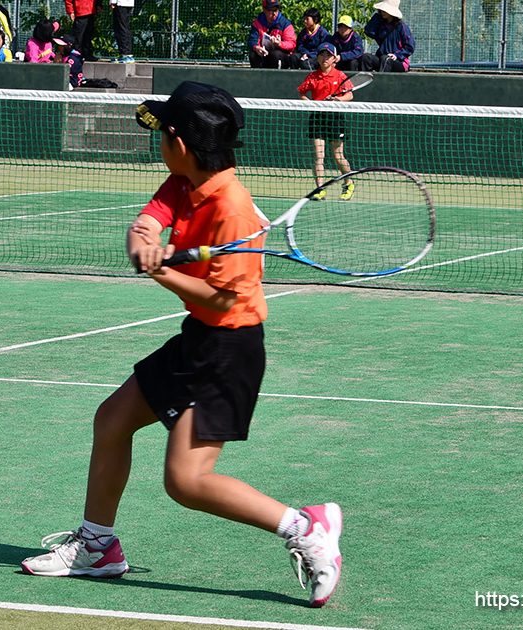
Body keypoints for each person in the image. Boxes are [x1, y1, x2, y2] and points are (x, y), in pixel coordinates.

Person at [19, 80, 344, 609]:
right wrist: (143, 241)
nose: (158, 142)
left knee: (186, 480)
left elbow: (219, 301)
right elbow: (149, 221)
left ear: (181, 142)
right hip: (199, 338)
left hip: (230, 349)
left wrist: (163, 271)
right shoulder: (183, 179)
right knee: (113, 417)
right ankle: (98, 546)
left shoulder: (233, 209)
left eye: (163, 132)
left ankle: (305, 528)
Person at [297, 43, 355, 201]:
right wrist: (310, 104)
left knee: (337, 155)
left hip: (335, 118)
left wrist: (337, 99)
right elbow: (302, 93)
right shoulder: (312, 76)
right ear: (317, 57)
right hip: (317, 118)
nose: (324, 58)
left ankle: (348, 183)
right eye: (322, 55)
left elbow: (349, 95)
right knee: (318, 155)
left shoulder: (340, 76)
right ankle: (319, 188)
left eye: (328, 55)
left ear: (334, 58)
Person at [364, 0, 414, 72]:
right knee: (366, 58)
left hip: (399, 61)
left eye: (385, 10)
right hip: (382, 59)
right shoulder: (381, 25)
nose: (383, 11)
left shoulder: (402, 27)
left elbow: (410, 47)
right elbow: (369, 32)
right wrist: (377, 15)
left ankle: (382, 82)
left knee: (386, 59)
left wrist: (396, 55)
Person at [247, 0, 294, 69]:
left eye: (276, 10)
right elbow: (252, 40)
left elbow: (291, 43)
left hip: (280, 55)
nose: (274, 13)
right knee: (253, 55)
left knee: (276, 55)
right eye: (271, 10)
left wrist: (279, 44)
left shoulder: (285, 24)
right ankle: (257, 78)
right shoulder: (257, 23)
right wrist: (257, 48)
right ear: (264, 10)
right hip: (264, 53)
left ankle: (277, 78)